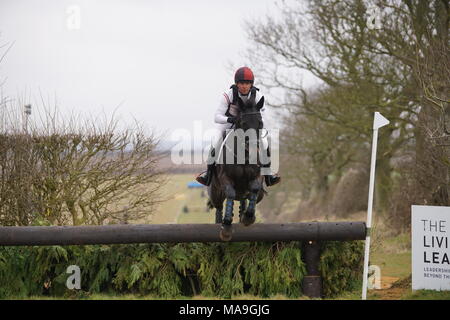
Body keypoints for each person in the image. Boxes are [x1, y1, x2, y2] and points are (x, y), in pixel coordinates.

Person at [195, 67, 281, 187]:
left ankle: (268, 175)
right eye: (241, 83)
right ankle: (208, 174)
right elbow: (217, 116)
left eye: (247, 83)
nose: (244, 86)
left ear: (251, 84)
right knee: (215, 140)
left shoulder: (258, 96)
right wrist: (230, 119)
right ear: (237, 83)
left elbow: (263, 115)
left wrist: (260, 128)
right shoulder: (228, 95)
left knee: (265, 142)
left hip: (250, 125)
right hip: (229, 122)